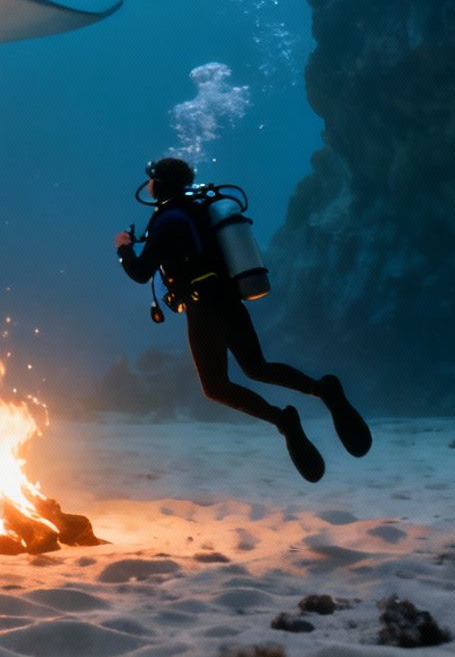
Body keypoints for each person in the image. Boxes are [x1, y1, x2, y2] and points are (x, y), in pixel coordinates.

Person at [113, 156, 370, 482]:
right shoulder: (196, 209)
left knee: (215, 386)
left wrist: (123, 248)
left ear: (161, 184)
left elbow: (140, 272)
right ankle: (324, 390)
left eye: (152, 179)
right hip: (228, 297)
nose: (147, 185)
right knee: (257, 367)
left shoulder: (166, 219)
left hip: (203, 306)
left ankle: (284, 421)